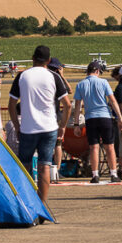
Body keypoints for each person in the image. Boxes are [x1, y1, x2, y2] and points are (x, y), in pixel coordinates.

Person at [8, 45, 71, 202]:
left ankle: (25, 200)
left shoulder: (22, 76)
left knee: (24, 165)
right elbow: (68, 105)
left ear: (33, 58)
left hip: (28, 128)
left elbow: (11, 104)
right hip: (49, 127)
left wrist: (17, 127)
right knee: (44, 166)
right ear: (48, 61)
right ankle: (42, 203)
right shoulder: (54, 77)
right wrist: (62, 127)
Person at [72, 61, 122, 184]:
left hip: (90, 118)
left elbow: (78, 105)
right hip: (105, 117)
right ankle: (113, 173)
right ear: (97, 71)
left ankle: (95, 174)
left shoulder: (80, 84)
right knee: (109, 146)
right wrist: (120, 118)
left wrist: (76, 124)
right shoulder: (103, 82)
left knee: (93, 147)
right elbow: (113, 101)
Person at [47, 57, 71, 183]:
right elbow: (69, 90)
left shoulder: (45, 78)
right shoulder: (57, 80)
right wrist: (62, 76)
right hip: (55, 116)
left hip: (47, 115)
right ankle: (55, 171)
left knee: (50, 144)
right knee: (57, 144)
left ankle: (48, 170)